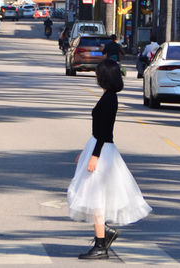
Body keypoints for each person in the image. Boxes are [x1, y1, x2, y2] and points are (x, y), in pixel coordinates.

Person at [68, 59, 151, 260]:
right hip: (98, 147)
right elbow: (99, 131)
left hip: (102, 151)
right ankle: (103, 235)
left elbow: (105, 132)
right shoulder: (108, 96)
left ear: (104, 76)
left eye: (98, 74)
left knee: (96, 199)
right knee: (96, 197)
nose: (96, 77)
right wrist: (86, 151)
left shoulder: (109, 99)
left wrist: (94, 155)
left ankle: (100, 245)